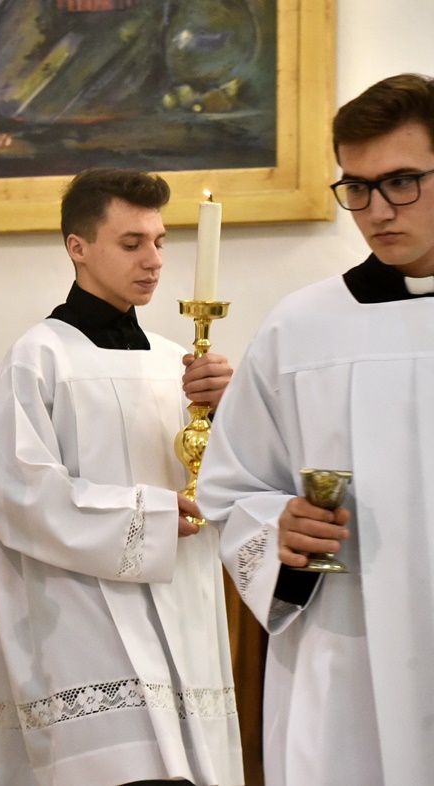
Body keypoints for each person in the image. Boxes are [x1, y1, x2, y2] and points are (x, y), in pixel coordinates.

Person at [196, 73, 434, 784]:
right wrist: (281, 529)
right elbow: (231, 491)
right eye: (356, 188)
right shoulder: (301, 329)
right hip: (349, 661)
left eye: (401, 182)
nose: (376, 211)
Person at [0, 168, 243, 785]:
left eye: (159, 241)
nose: (154, 260)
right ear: (79, 247)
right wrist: (148, 516)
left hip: (184, 616)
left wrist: (227, 411)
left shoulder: (178, 363)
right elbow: (16, 495)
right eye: (131, 243)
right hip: (83, 631)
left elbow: (224, 480)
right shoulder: (38, 358)